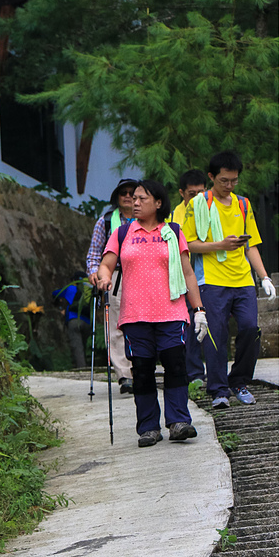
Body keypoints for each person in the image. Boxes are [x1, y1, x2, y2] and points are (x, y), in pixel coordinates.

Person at [97, 180, 208, 448]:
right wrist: (103, 278)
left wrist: (199, 310)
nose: (134, 203)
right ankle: (148, 427)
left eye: (141, 198)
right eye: (133, 198)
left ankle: (179, 421)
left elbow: (187, 272)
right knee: (143, 371)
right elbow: (106, 264)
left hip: (171, 311)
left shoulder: (172, 232)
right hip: (135, 315)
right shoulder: (123, 233)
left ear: (158, 203)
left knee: (175, 365)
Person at [181, 151, 277, 409]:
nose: (230, 185)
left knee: (249, 328)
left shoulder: (243, 205)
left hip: (243, 279)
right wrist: (220, 245)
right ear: (212, 177)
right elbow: (189, 244)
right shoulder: (199, 204)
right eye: (224, 180)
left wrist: (264, 276)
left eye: (234, 180)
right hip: (211, 280)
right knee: (216, 335)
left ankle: (239, 381)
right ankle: (218, 389)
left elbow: (252, 245)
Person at [87, 179, 137, 394]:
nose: (127, 196)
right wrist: (94, 273)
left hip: (142, 277)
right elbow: (94, 253)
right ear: (117, 197)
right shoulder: (106, 221)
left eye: (132, 193)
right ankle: (125, 375)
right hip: (115, 277)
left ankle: (140, 369)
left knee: (141, 324)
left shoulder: (147, 220)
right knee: (116, 326)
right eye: (123, 193)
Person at [172, 169, 208, 384]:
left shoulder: (210, 211)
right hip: (182, 278)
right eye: (192, 194)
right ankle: (194, 373)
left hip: (208, 276)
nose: (197, 198)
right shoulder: (172, 217)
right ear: (182, 193)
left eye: (201, 193)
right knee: (189, 325)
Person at [52, 274, 92, 369]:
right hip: (87, 322)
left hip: (74, 320)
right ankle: (85, 365)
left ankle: (81, 368)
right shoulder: (89, 288)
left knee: (77, 346)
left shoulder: (71, 288)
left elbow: (55, 293)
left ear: (74, 280)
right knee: (83, 344)